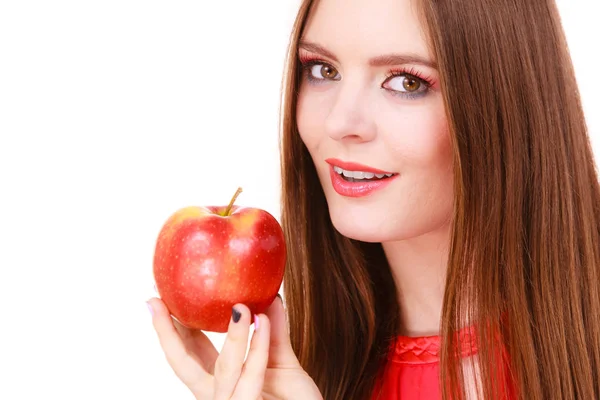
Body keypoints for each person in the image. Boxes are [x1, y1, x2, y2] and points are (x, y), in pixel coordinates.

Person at [146, 0, 600, 398]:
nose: (340, 122)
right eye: (323, 70)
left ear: (506, 102)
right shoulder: (297, 374)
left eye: (405, 82)